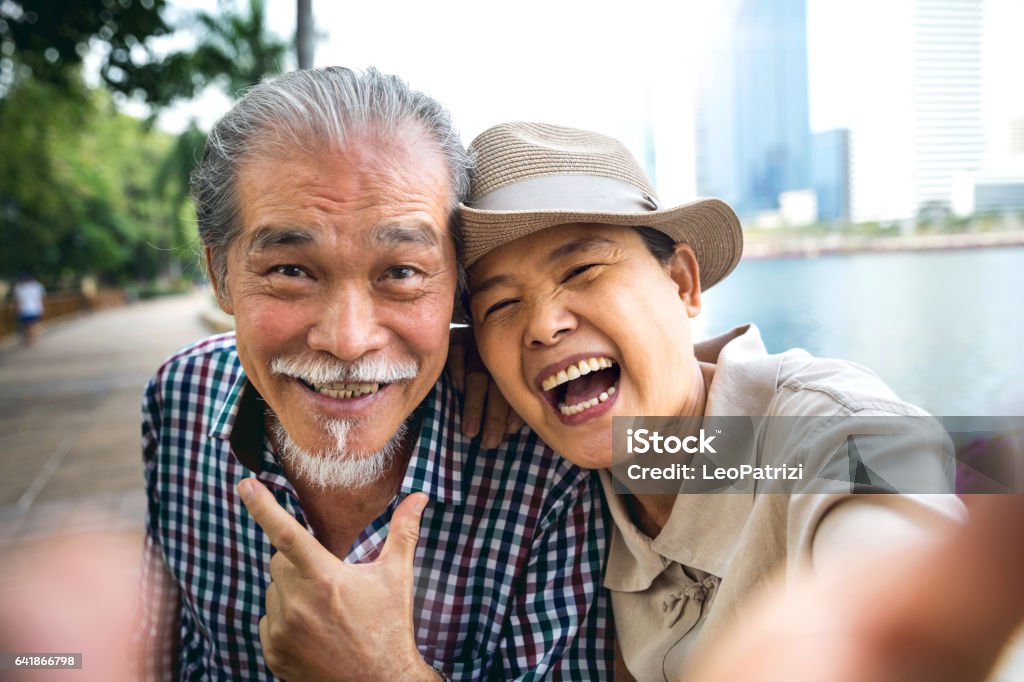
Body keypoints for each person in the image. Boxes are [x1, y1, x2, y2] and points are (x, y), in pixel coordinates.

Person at [135, 70, 612, 680]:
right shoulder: (180, 400)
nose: (348, 339)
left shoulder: (551, 460)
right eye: (290, 269)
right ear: (220, 276)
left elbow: (740, 432)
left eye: (404, 273)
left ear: (457, 292)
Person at [460, 122, 966, 680]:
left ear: (681, 282)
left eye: (580, 270)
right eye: (500, 306)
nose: (542, 326)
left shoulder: (831, 426)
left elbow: (900, 579)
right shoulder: (570, 499)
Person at [13, 271, 45, 345]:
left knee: (30, 324)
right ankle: (32, 337)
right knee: (31, 324)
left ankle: (31, 338)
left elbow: (17, 300)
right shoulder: (36, 285)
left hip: (30, 309)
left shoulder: (21, 287)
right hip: (29, 309)